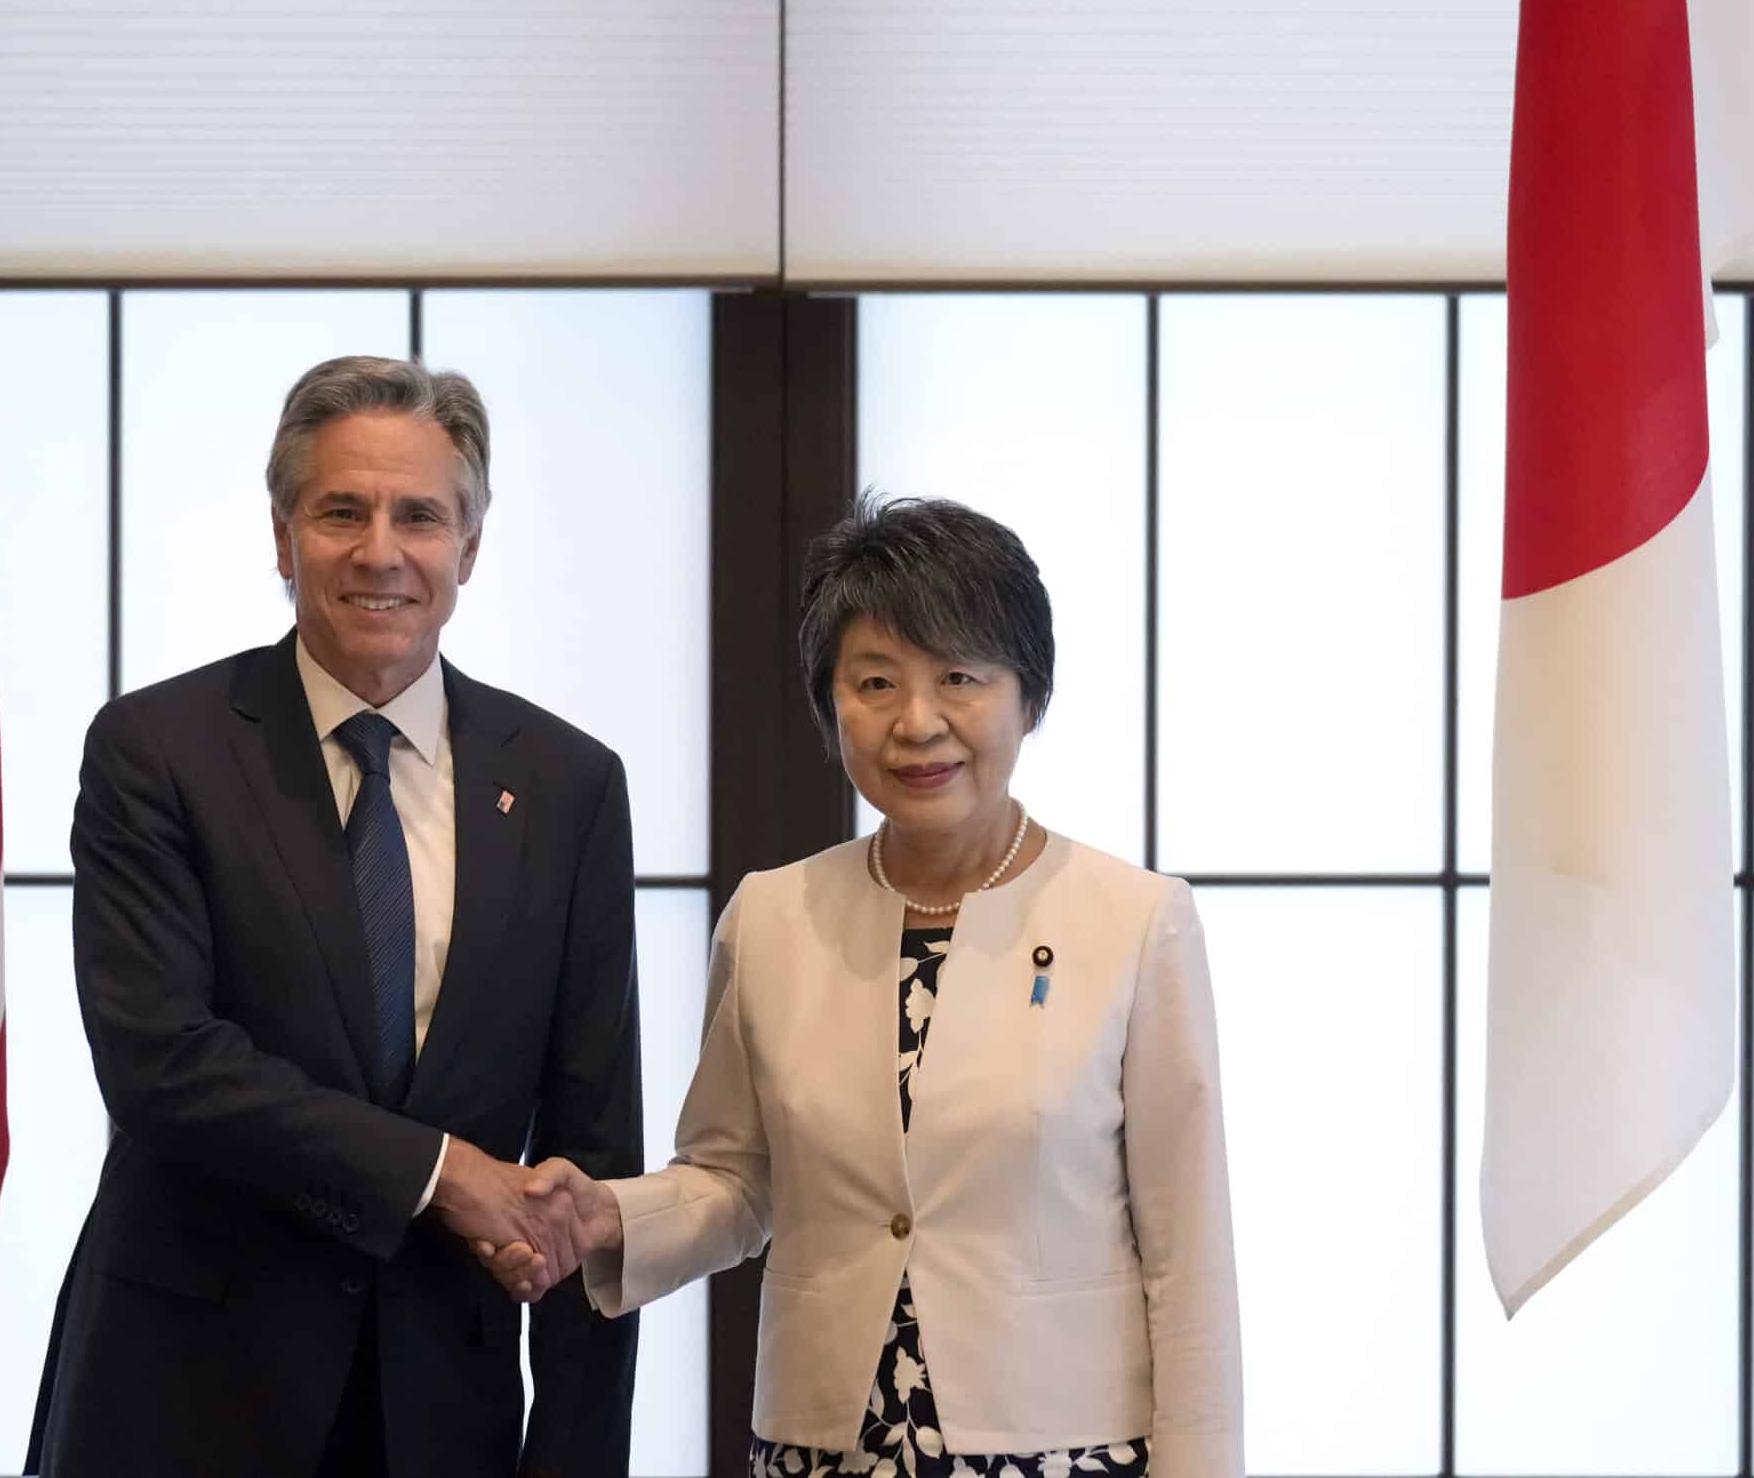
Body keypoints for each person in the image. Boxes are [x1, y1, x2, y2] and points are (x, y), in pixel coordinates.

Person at [486, 494, 1243, 1478]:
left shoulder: (1134, 920)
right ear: (829, 700)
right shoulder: (773, 917)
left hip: (1062, 1447)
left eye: (960, 677)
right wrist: (607, 1218)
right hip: (821, 1443)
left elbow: (1188, 1259)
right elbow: (734, 1178)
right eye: (874, 682)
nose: (916, 722)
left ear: (1028, 694)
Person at [25, 356, 643, 1478]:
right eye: (340, 511)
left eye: (420, 515)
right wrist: (445, 1172)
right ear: (281, 534)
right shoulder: (158, 751)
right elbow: (161, 1064)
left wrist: (578, 1453)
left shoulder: (569, 785)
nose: (379, 551)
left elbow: (589, 1161)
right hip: (181, 1391)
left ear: (470, 544)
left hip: (441, 1405)